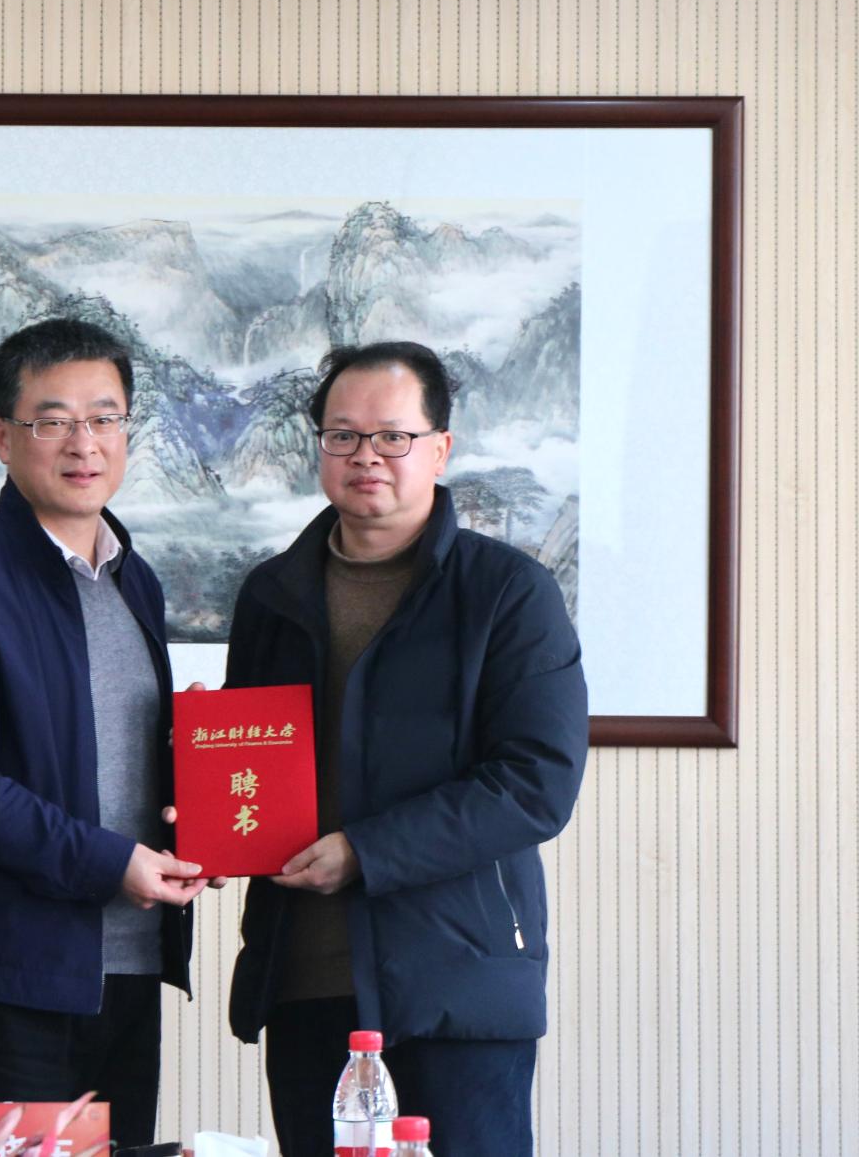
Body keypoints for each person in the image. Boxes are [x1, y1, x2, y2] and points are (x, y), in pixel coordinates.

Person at [221, 341, 588, 1157]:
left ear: (440, 448)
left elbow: (537, 783)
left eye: (393, 436)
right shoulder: (271, 595)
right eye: (343, 436)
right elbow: (250, 759)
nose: (366, 456)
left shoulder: (506, 593)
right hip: (306, 980)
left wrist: (366, 851)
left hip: (456, 986)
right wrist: (209, 814)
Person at [0, 318, 205, 1149]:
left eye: (105, 418)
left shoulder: (134, 580)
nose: (83, 442)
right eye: (52, 420)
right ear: (3, 437)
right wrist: (109, 861)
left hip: (125, 970)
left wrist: (200, 780)